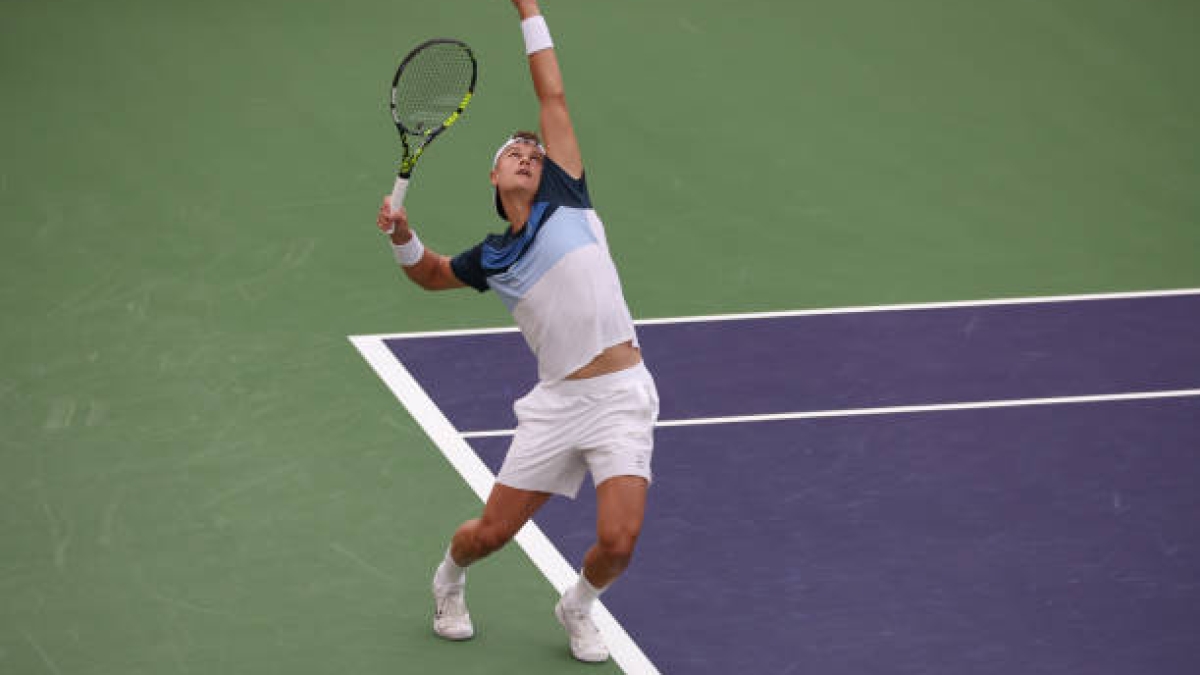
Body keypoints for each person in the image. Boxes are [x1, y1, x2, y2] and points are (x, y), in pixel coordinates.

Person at [374, 0, 658, 663]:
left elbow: (550, 90)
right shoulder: (493, 257)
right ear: (495, 177)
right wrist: (403, 239)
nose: (528, 152)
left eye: (532, 147)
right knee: (490, 534)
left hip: (621, 393)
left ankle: (578, 603)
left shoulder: (569, 196)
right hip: (558, 406)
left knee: (619, 541)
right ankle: (449, 577)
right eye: (514, 152)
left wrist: (528, 6)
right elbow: (432, 275)